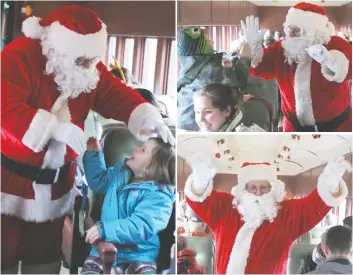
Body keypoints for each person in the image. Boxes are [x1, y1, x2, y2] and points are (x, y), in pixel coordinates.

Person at [1, 5, 174, 274]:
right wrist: (54, 129)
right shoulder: (19, 56)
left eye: (93, 60)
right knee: (4, 252)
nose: (90, 67)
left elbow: (116, 95)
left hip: (58, 184)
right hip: (10, 179)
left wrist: (148, 117)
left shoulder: (89, 66)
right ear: (59, 48)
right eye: (83, 60)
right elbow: (3, 106)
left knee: (44, 254)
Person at [184, 155, 350, 274]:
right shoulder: (227, 209)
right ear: (244, 190)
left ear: (273, 189)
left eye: (264, 187)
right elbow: (199, 200)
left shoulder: (287, 215)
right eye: (253, 188)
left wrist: (331, 179)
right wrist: (199, 181)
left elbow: (315, 205)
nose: (258, 193)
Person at [241, 2, 352, 132]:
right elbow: (259, 68)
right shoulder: (280, 49)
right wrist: (252, 49)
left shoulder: (336, 45)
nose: (291, 35)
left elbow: (349, 70)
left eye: (297, 30)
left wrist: (329, 60)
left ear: (313, 32)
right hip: (293, 129)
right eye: (289, 29)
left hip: (337, 128)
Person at [81, 137, 175, 274]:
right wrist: (94, 154)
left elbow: (140, 225)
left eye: (143, 150)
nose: (135, 149)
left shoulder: (160, 198)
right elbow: (99, 181)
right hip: (103, 249)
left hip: (140, 256)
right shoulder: (121, 171)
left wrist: (104, 230)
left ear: (152, 168)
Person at [177, 27, 251, 131]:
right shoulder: (211, 68)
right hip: (200, 125)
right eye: (208, 39)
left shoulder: (189, 63)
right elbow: (238, 83)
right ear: (199, 44)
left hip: (182, 122)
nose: (212, 41)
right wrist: (245, 58)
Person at [194, 83, 266, 132]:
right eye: (197, 112)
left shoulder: (248, 136)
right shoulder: (197, 138)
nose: (200, 119)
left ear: (227, 111)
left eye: (207, 112)